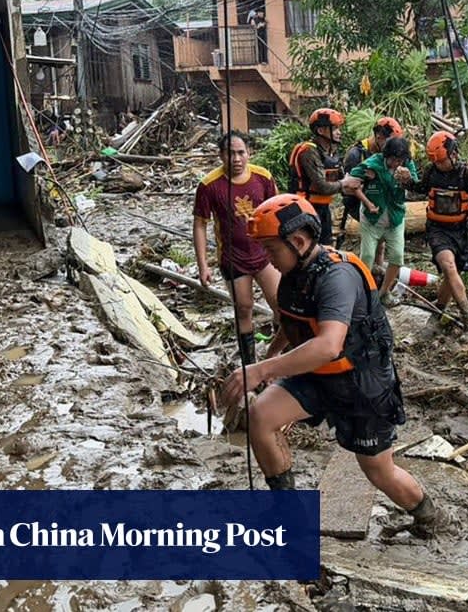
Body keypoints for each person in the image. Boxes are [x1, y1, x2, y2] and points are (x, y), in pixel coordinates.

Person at [220, 194, 453, 537]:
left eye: (271, 250)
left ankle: (429, 516)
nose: (266, 259)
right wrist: (270, 359)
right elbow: (293, 324)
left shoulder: (337, 276)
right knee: (262, 416)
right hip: (316, 377)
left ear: (298, 241)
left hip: (361, 383)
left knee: (378, 471)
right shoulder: (293, 272)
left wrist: (261, 371)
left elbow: (329, 344)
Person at [193, 131, 281, 364]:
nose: (236, 159)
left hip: (265, 255)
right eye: (230, 153)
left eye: (241, 152)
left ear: (249, 153)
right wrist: (203, 265)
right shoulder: (209, 185)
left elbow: (279, 212)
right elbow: (200, 225)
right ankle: (249, 366)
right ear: (221, 156)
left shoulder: (263, 177)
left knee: (282, 306)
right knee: (244, 308)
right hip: (233, 259)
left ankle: (278, 358)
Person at [420, 131, 468, 333]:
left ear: (454, 154)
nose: (440, 166)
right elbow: (420, 188)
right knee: (448, 266)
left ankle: (438, 311)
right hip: (438, 230)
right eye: (437, 162)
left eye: (443, 161)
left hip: (462, 231)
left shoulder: (467, 174)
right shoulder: (432, 172)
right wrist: (404, 180)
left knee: (451, 273)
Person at [341, 137, 417, 307]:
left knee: (397, 257)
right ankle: (361, 293)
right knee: (367, 256)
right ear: (385, 156)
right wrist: (366, 191)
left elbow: (418, 187)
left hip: (395, 218)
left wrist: (408, 179)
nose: (396, 163)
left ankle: (383, 292)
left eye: (400, 160)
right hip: (372, 219)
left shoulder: (408, 166)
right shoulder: (373, 163)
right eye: (393, 159)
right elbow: (349, 183)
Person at [338, 116, 404, 259]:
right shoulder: (356, 154)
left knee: (381, 242)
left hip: (379, 198)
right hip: (357, 202)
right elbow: (348, 187)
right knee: (374, 238)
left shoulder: (386, 156)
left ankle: (378, 267)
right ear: (379, 137)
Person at [288, 108, 345, 246]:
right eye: (335, 128)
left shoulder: (330, 152)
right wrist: (344, 184)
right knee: (309, 248)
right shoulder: (309, 151)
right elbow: (322, 186)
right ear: (320, 131)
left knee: (325, 247)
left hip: (323, 208)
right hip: (306, 208)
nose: (339, 132)